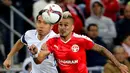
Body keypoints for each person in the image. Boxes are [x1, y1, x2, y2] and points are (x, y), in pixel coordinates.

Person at [28, 11, 129, 73]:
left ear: (72, 27)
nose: (62, 28)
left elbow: (102, 49)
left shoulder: (81, 40)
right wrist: (34, 54)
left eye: (66, 25)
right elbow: (39, 60)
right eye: (60, 25)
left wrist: (118, 65)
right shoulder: (52, 42)